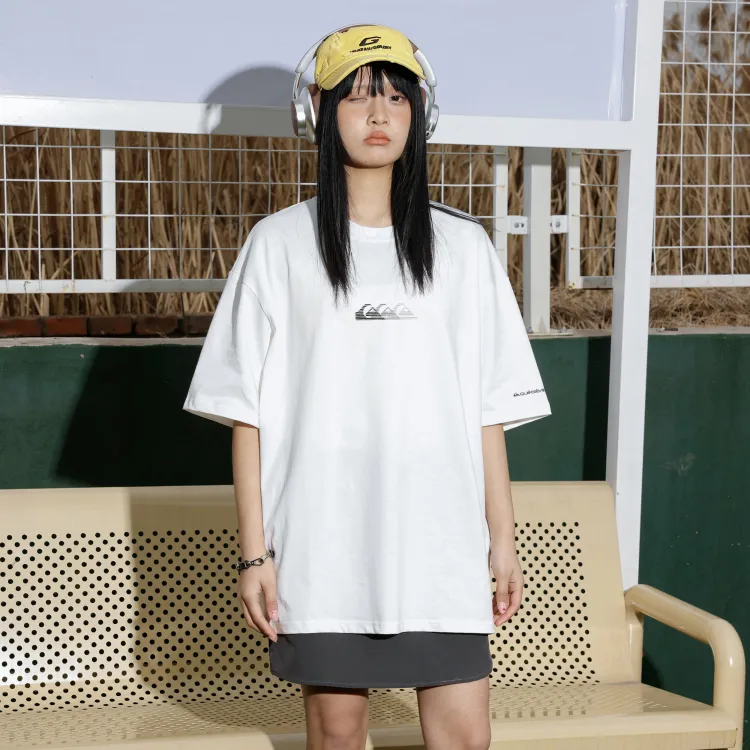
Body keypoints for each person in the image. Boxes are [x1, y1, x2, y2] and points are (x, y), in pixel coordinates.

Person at [183, 23, 551, 749]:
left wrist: (502, 541)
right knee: (337, 735)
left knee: (465, 738)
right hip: (323, 549)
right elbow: (244, 415)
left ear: (421, 115)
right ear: (317, 112)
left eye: (396, 98)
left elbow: (488, 412)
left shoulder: (465, 248)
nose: (379, 114)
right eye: (356, 97)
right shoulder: (277, 245)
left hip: (441, 549)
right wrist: (255, 556)